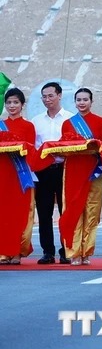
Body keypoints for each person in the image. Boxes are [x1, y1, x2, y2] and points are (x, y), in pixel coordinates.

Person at [59, 88, 102, 265]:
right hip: (73, 171)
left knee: (92, 211)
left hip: (93, 171)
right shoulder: (67, 123)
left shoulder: (101, 122)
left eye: (85, 99)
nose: (81, 102)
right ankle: (74, 252)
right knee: (73, 210)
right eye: (78, 99)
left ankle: (87, 252)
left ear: (91, 101)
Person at [32, 81, 72, 264]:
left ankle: (66, 250)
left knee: (66, 211)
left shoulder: (70, 119)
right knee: (44, 211)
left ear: (59, 95)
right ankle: (48, 251)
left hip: (65, 169)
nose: (47, 100)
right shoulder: (36, 121)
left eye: (51, 96)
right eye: (44, 97)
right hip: (43, 171)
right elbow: (33, 147)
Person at [0, 88, 36, 265]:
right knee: (3, 213)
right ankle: (3, 251)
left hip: (20, 175)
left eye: (15, 102)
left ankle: (16, 252)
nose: (12, 106)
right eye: (9, 103)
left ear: (22, 104)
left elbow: (30, 149)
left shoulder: (28, 126)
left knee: (18, 214)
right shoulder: (0, 125)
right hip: (2, 174)